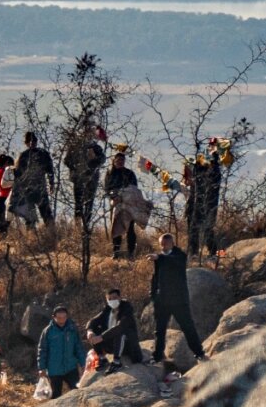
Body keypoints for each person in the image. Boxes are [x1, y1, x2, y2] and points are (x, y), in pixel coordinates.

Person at [149, 234, 204, 366]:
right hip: (162, 300)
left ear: (172, 243)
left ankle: (199, 353)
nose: (163, 246)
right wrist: (153, 293)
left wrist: (159, 257)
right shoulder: (160, 257)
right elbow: (156, 276)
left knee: (187, 327)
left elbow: (173, 261)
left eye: (165, 244)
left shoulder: (179, 255)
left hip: (179, 301)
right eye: (161, 244)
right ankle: (157, 356)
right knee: (159, 329)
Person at [104, 144, 146, 259]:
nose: (120, 162)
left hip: (128, 205)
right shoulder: (109, 174)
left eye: (122, 160)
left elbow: (134, 189)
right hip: (116, 203)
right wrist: (113, 196)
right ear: (114, 161)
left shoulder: (129, 173)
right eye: (118, 160)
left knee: (130, 229)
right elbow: (106, 189)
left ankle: (131, 253)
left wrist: (124, 195)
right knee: (116, 228)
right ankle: (116, 252)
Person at [66, 122, 107, 238]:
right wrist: (78, 167)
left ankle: (86, 228)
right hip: (79, 179)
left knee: (89, 204)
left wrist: (93, 160)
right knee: (78, 204)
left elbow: (102, 160)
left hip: (92, 179)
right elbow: (67, 160)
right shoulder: (75, 146)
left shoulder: (96, 147)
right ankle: (77, 229)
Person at [87, 287, 144, 369]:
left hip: (127, 346)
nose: (112, 301)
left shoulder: (126, 310)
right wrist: (90, 331)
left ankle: (117, 362)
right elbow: (93, 321)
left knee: (119, 332)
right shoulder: (108, 309)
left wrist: (101, 337)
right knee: (94, 330)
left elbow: (120, 327)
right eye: (109, 299)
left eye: (114, 298)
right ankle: (102, 358)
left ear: (120, 297)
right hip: (112, 344)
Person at [37, 304, 87, 398]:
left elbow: (78, 347)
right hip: (54, 369)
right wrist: (41, 367)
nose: (62, 320)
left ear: (67, 317)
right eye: (59, 318)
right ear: (53, 317)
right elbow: (42, 350)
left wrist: (83, 363)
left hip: (71, 367)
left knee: (77, 392)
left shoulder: (72, 329)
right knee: (56, 396)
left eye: (64, 317)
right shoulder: (47, 331)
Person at [12, 130, 57, 226]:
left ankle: (34, 236)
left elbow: (18, 175)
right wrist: (51, 183)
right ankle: (50, 232)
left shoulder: (24, 156)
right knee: (44, 214)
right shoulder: (43, 153)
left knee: (33, 217)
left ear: (26, 143)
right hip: (38, 189)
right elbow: (50, 171)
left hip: (30, 189)